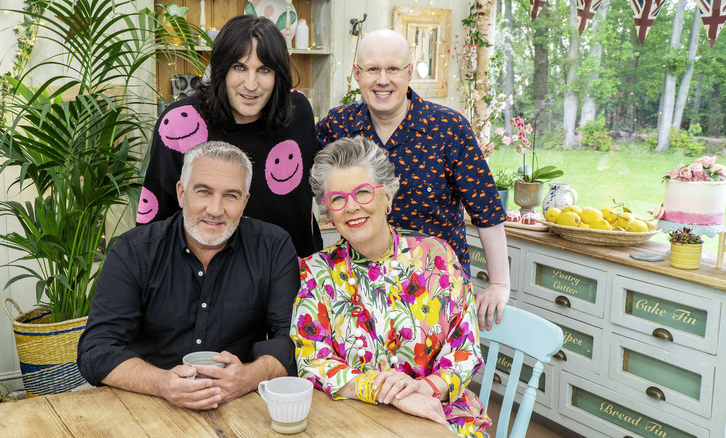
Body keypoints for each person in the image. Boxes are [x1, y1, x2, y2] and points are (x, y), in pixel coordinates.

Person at [291, 136, 490, 437]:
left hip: (440, 414)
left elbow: (465, 347)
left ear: (387, 196)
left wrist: (423, 389)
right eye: (337, 199)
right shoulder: (317, 272)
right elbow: (312, 359)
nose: (351, 207)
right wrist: (392, 394)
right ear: (327, 210)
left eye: (363, 193)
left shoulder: (436, 256)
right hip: (357, 420)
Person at [78, 141, 299, 410]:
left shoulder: (274, 247)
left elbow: (293, 340)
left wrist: (249, 377)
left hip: (239, 403)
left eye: (231, 195)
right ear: (182, 193)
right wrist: (162, 383)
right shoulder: (134, 251)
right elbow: (97, 349)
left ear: (245, 202)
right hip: (144, 402)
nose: (216, 210)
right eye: (204, 191)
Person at [317, 29, 509, 330]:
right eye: (372, 70)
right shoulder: (338, 125)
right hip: (361, 290)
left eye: (393, 69)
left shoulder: (448, 128)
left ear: (408, 72)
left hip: (438, 287)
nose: (383, 80)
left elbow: (487, 209)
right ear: (357, 74)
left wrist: (499, 283)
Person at [139, 14, 322, 257]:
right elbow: (156, 220)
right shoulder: (180, 124)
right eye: (239, 67)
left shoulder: (298, 112)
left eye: (264, 69)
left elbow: (305, 206)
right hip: (204, 282)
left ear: (278, 74)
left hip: (293, 273)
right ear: (221, 69)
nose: (251, 83)